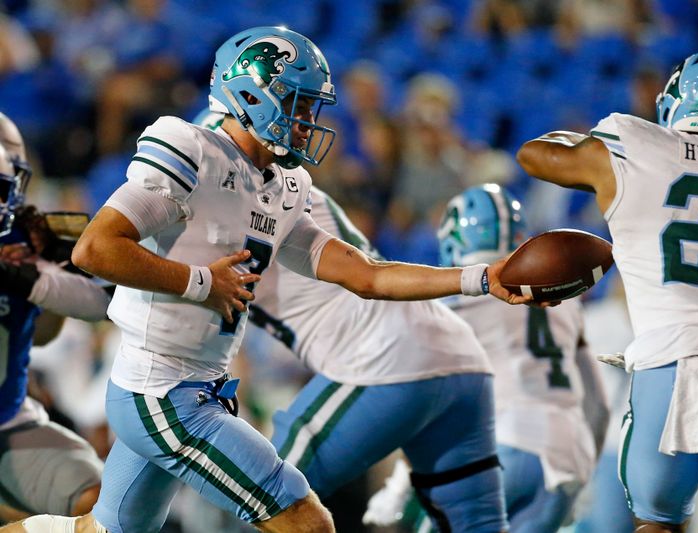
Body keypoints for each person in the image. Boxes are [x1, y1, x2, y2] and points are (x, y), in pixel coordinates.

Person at [3, 26, 529, 533]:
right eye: (298, 105)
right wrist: (201, 283)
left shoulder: (285, 185)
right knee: (306, 520)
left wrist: (482, 277)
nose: (307, 122)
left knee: (98, 529)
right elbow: (98, 249)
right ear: (252, 96)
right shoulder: (190, 147)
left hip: (198, 385)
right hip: (161, 389)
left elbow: (367, 275)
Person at [515, 46, 698, 533]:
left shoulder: (634, 141)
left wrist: (578, 139)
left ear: (676, 98)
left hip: (663, 366)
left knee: (655, 523)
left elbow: (535, 155)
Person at [250, 184, 507, 533]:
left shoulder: (236, 192)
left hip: (380, 354)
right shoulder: (284, 186)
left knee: (263, 493)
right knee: (476, 524)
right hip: (460, 355)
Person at [362, 184, 610, 533]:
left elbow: (422, 407)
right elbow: (597, 405)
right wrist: (583, 474)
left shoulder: (455, 302)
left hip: (504, 446)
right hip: (569, 455)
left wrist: (398, 486)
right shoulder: (564, 304)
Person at [0, 112, 110, 524]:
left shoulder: (19, 247)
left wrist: (42, 279)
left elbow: (44, 335)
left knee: (102, 506)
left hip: (8, 421)